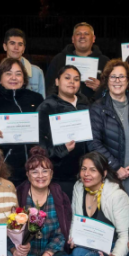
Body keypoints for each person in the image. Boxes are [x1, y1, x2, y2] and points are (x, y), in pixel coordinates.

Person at [10, 147, 73, 256]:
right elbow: (11, 232)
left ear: (51, 174)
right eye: (34, 171)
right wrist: (14, 250)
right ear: (27, 174)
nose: (40, 176)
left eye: (45, 171)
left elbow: (61, 232)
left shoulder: (59, 196)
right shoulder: (18, 196)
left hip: (45, 252)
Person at [69, 152, 129, 256]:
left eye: (93, 170)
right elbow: (75, 220)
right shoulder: (78, 187)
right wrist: (72, 237)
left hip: (113, 249)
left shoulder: (117, 196)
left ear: (103, 173)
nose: (86, 174)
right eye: (83, 169)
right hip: (90, 244)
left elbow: (124, 235)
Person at [88, 60, 129, 200]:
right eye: (113, 77)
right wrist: (116, 168)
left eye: (122, 76)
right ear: (107, 80)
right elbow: (94, 143)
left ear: (128, 80)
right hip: (109, 177)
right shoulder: (97, 108)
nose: (117, 81)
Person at [0, 57, 43, 185]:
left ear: (24, 79)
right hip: (3, 167)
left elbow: (45, 129)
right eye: (8, 74)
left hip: (34, 168)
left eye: (18, 74)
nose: (14, 78)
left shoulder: (36, 99)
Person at [37, 64, 90, 194]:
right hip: (59, 175)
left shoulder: (86, 105)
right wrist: (61, 150)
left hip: (87, 174)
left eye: (76, 79)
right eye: (67, 78)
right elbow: (39, 145)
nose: (72, 82)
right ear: (57, 81)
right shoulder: (47, 107)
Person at [45, 22, 109, 100]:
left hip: (96, 109)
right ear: (73, 39)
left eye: (86, 34)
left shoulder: (105, 62)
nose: (82, 36)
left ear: (93, 39)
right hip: (64, 109)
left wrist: (101, 88)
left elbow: (113, 89)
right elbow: (49, 86)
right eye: (78, 34)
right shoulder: (59, 59)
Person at [0, 29, 46, 97]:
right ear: (5, 46)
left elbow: (42, 104)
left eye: (20, 44)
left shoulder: (37, 72)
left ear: (24, 49)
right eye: (12, 43)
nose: (16, 47)